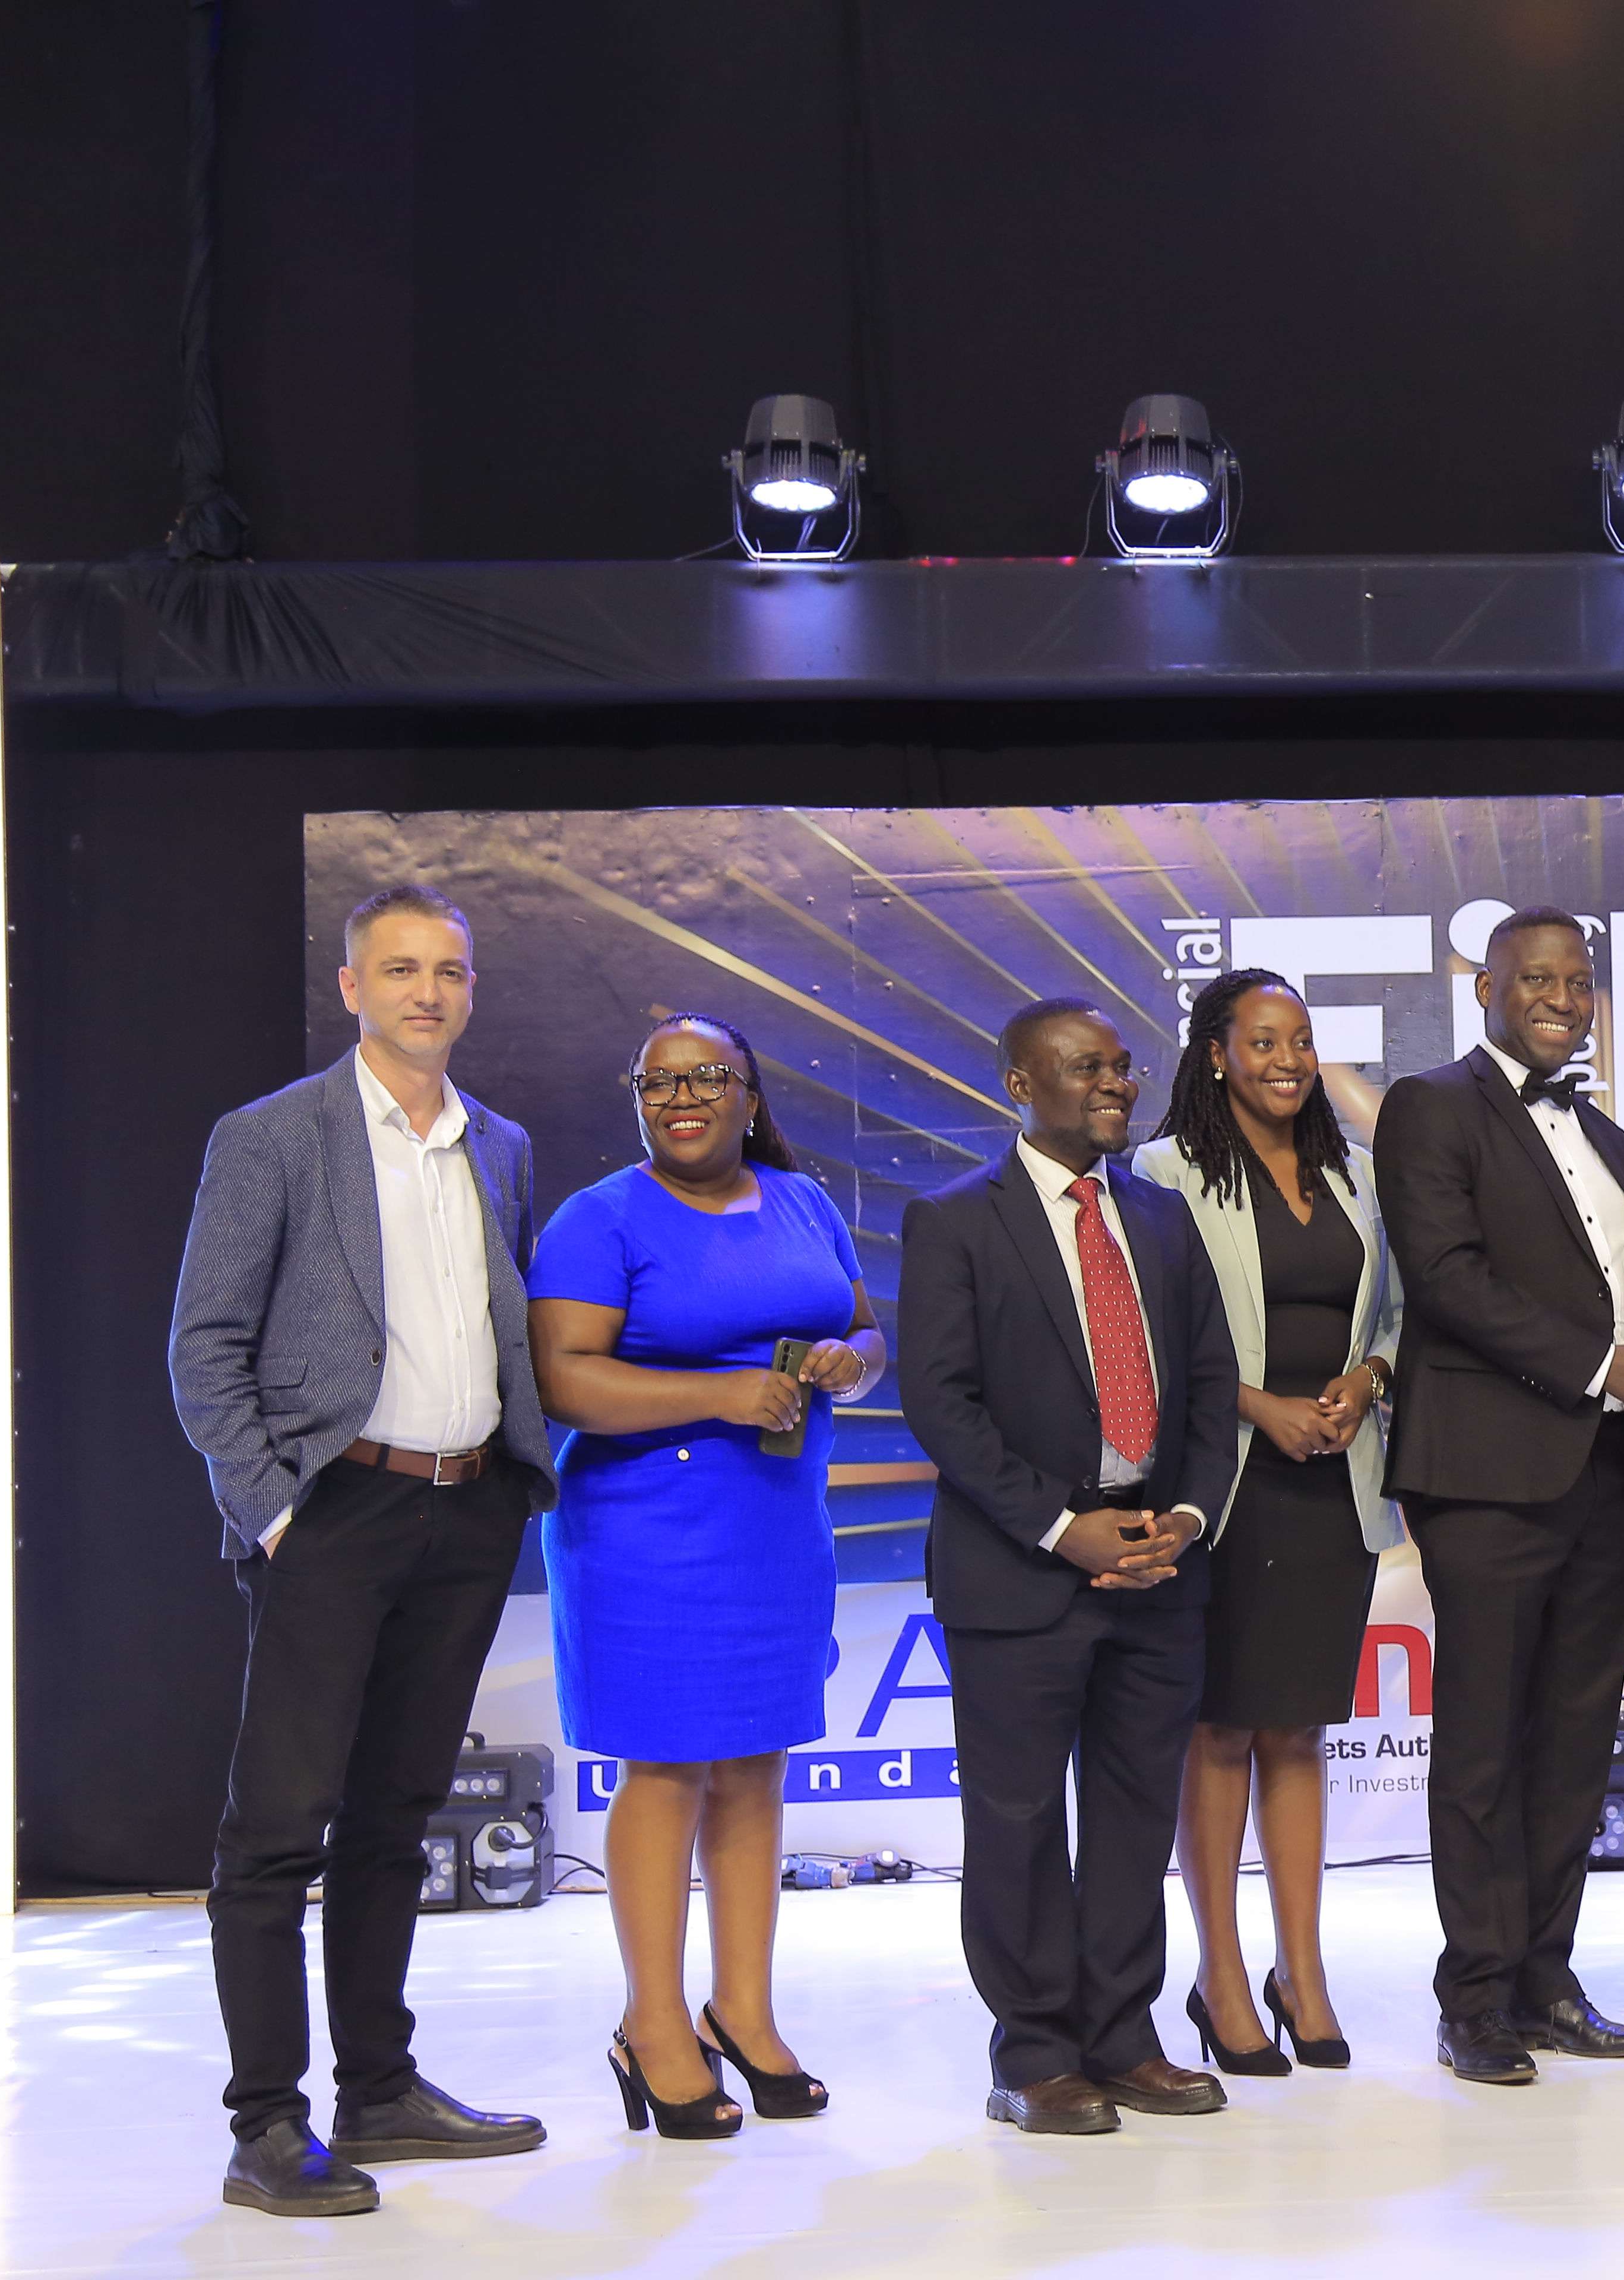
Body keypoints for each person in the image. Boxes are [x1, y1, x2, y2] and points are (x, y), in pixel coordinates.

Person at [167, 884, 557, 2219]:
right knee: (276, 1833)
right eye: (399, 970)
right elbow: (204, 1348)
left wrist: (515, 1483)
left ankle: (377, 2092)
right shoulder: (274, 1136)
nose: (427, 993)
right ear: (352, 988)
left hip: (464, 1514)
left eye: (449, 971)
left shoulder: (498, 1143)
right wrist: (275, 1507)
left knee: (396, 1820)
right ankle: (264, 2125)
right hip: (333, 1511)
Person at [527, 1015, 885, 2136]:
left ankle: (744, 2010)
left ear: (749, 1093)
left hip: (777, 1520)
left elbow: (867, 1337)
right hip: (646, 1529)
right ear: (637, 1097)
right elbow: (565, 1381)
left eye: (707, 1078)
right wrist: (718, 1396)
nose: (681, 1096)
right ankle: (654, 2022)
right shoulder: (600, 1218)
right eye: (657, 1081)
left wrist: (845, 1363)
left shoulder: (803, 1201)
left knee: (756, 1768)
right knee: (669, 1769)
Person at [896, 997, 1242, 2135]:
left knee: (1138, 1817)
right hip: (1022, 1571)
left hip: (1160, 1565)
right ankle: (1036, 2051)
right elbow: (940, 1405)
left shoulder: (1163, 1216)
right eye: (1086, 1067)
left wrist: (1185, 1517)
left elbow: (1206, 1382)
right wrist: (1062, 1529)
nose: (1115, 1083)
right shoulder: (953, 1221)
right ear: (1018, 1085)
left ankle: (1124, 2035)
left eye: (1122, 1066)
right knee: (1018, 1820)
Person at [1375, 905, 1624, 2086]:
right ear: (1487, 987)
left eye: (1579, 979)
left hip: (1604, 1473)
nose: (1562, 995)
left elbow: (1615, 1300)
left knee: (1572, 1740)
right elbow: (1448, 1279)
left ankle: (1544, 1980)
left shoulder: (1609, 1137)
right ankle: (1473, 1996)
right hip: (1483, 1473)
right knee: (1482, 1744)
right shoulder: (1431, 1105)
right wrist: (1605, 1365)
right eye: (1538, 977)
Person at [1133, 970, 1407, 2076]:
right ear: (1215, 1056)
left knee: (1300, 1730)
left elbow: (1395, 1310)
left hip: (1335, 1482)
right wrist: (1262, 1406)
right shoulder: (1164, 1172)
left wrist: (1369, 1378)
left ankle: (1305, 1970)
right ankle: (1223, 1976)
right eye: (1263, 1042)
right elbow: (1157, 1335)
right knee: (1223, 1731)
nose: (1288, 1061)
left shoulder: (1359, 1172)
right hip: (1228, 1485)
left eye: (1300, 1041)